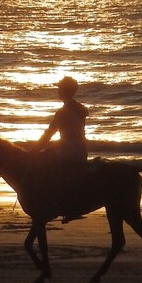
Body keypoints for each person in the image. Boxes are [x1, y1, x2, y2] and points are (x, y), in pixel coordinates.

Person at [30, 76, 90, 221]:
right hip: (81, 148)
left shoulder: (63, 112)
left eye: (60, 89)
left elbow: (49, 133)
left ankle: (53, 203)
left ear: (63, 92)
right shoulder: (79, 109)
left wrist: (35, 150)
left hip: (68, 149)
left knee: (44, 168)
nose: (58, 92)